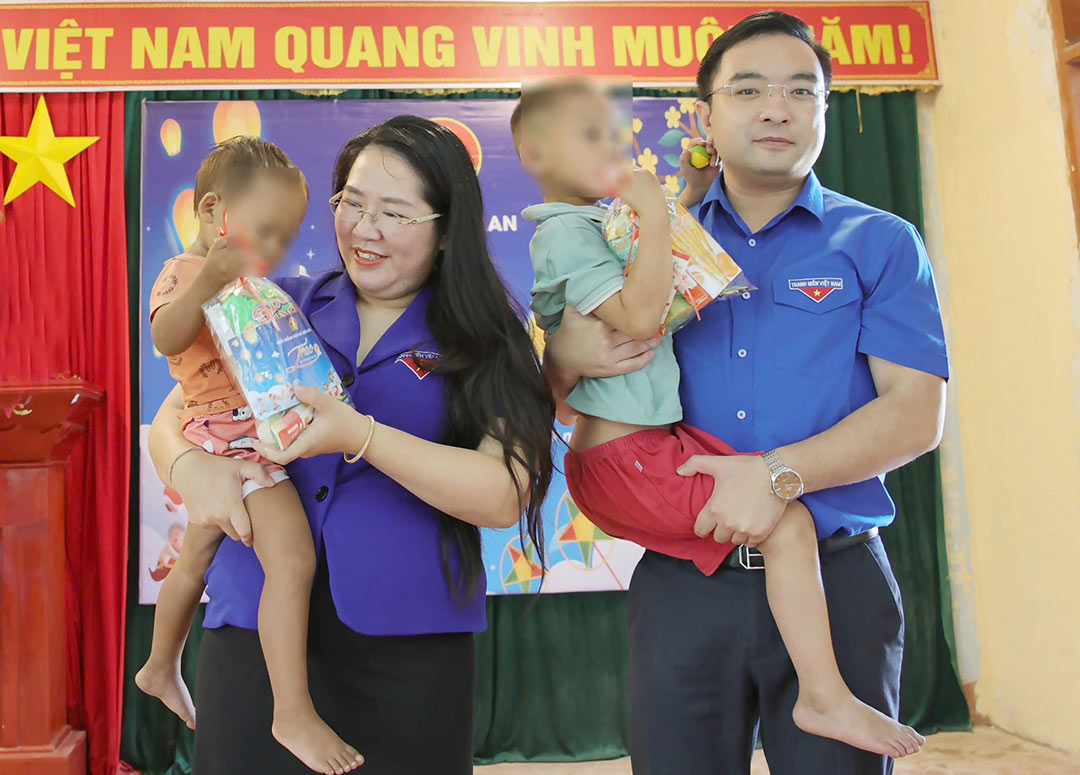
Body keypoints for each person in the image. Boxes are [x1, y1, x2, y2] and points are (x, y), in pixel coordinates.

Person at [542, 13, 949, 775]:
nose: (776, 108)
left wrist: (776, 474)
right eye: (750, 89)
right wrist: (563, 357)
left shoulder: (881, 243)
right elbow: (571, 400)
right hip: (684, 582)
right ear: (703, 114)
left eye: (803, 90)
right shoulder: (646, 246)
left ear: (826, 109)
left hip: (837, 576)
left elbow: (914, 413)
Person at [147, 116, 554, 775]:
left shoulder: (487, 339)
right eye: (352, 204)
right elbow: (178, 415)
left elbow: (504, 493)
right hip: (255, 631)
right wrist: (191, 468)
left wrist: (360, 434)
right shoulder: (277, 301)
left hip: (408, 648)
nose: (364, 229)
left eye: (393, 212)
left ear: (446, 229)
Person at [136, 137, 363, 775]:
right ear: (213, 213)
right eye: (264, 231)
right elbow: (165, 336)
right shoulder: (187, 272)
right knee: (291, 560)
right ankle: (290, 709)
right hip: (227, 439)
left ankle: (159, 665)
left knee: (194, 560)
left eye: (286, 238)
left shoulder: (261, 293)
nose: (274, 250)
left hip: (244, 431)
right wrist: (209, 276)